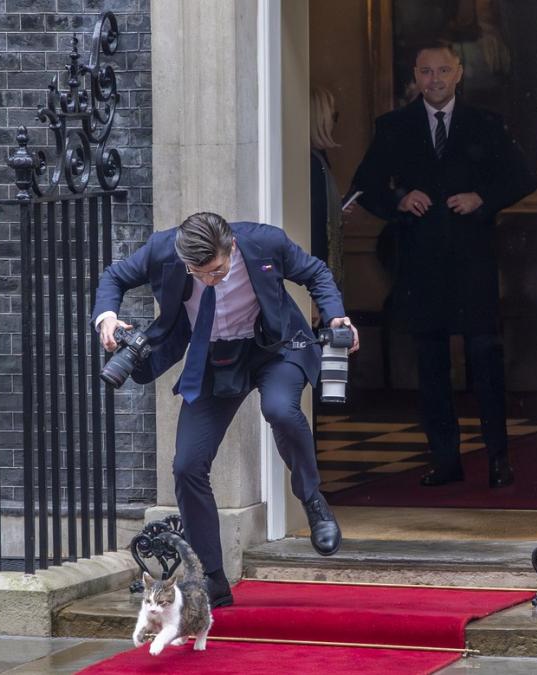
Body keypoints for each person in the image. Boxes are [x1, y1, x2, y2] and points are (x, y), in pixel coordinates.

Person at [92, 212, 360, 608]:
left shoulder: (265, 242)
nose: (208, 281)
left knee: (281, 410)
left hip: (274, 348)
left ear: (231, 247)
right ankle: (211, 579)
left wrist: (336, 314)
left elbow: (315, 271)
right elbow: (113, 277)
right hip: (214, 357)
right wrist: (107, 317)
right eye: (198, 274)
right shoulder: (163, 249)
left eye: (216, 271)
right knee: (187, 465)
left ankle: (312, 499)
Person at [351, 40, 536, 489]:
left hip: (472, 262)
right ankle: (445, 460)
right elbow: (364, 187)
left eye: (443, 71)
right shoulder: (394, 127)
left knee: (485, 361)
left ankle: (498, 458)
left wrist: (482, 199)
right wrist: (399, 198)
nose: (435, 80)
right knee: (431, 367)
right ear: (415, 76)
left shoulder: (486, 125)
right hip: (420, 266)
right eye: (426, 72)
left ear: (459, 74)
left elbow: (523, 177)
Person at [310, 85, 348, 288]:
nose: (335, 122)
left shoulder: (318, 160)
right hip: (321, 273)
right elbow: (315, 226)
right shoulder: (312, 165)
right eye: (334, 116)